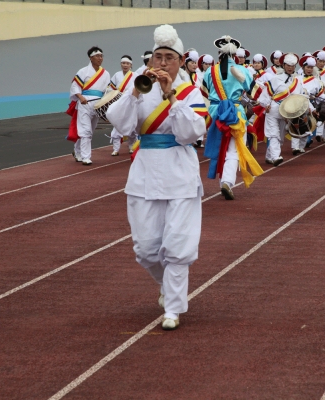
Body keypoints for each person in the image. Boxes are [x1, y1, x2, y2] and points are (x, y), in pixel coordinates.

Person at [106, 24, 208, 331]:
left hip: (179, 171)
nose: (162, 63)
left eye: (168, 58)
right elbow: (122, 126)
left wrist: (170, 96)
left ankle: (174, 308)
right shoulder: (137, 87)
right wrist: (135, 92)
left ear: (179, 62)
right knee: (146, 249)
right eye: (157, 57)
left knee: (177, 247)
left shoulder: (191, 93)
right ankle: (168, 287)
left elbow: (191, 133)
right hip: (145, 171)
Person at [202, 35, 263, 200]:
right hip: (235, 113)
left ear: (219, 53)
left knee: (219, 147)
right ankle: (227, 182)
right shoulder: (242, 70)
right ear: (235, 54)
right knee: (233, 149)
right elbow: (256, 93)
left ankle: (223, 180)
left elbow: (204, 93)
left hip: (215, 112)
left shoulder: (209, 71)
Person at [259, 52, 310, 166]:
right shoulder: (275, 79)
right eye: (288, 65)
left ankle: (269, 156)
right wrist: (266, 104)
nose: (290, 68)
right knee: (274, 134)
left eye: (292, 66)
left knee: (280, 137)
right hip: (273, 110)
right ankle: (276, 157)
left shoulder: (297, 81)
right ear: (283, 65)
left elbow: (302, 96)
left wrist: (309, 108)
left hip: (287, 113)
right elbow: (264, 95)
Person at [67, 46, 110, 165]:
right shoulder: (83, 71)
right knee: (86, 130)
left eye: (101, 56)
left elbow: (107, 92)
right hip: (85, 103)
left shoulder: (105, 73)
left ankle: (77, 150)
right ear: (91, 58)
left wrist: (105, 110)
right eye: (97, 56)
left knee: (89, 130)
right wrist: (80, 97)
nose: (100, 58)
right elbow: (75, 86)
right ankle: (86, 157)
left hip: (98, 104)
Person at [108, 55, 136, 156]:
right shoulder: (116, 75)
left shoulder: (135, 75)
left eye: (127, 63)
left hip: (130, 104)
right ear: (121, 64)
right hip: (118, 103)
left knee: (132, 126)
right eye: (123, 63)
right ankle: (116, 149)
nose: (125, 65)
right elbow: (110, 89)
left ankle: (131, 146)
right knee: (116, 125)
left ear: (131, 65)